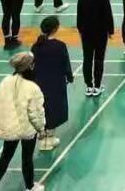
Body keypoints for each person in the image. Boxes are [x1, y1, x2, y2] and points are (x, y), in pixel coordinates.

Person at [0, 51, 46, 191]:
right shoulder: (33, 88)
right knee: (27, 159)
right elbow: (35, 113)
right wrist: (41, 129)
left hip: (10, 127)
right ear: (30, 66)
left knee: (5, 157)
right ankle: (30, 187)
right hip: (27, 130)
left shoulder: (5, 81)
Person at [30, 15, 72, 151]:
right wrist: (69, 77)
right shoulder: (60, 46)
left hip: (39, 82)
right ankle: (49, 139)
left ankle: (43, 139)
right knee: (54, 110)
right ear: (55, 29)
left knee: (42, 109)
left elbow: (31, 65)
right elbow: (65, 63)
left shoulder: (36, 46)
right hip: (56, 82)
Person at [76, 0, 114, 97]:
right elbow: (108, 16)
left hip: (86, 33)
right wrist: (110, 31)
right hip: (100, 34)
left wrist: (81, 30)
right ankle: (97, 86)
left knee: (87, 58)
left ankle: (88, 86)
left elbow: (79, 17)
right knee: (99, 59)